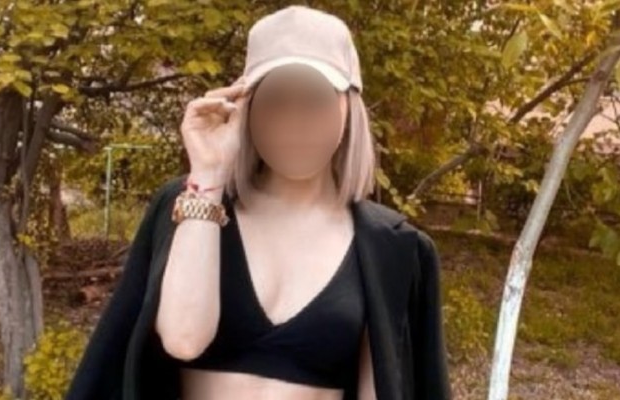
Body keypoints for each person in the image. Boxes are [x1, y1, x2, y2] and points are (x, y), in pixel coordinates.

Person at [64, 5, 451, 400]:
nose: (295, 121)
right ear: (246, 107)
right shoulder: (191, 202)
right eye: (276, 99)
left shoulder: (389, 246)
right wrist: (210, 173)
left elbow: (383, 386)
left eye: (315, 99)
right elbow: (183, 339)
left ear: (348, 109)